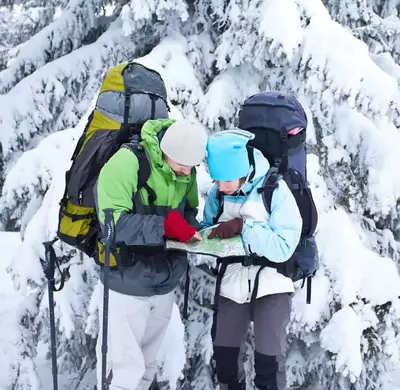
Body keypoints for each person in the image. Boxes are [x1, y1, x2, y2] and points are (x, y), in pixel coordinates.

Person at [94, 118, 208, 390]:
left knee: (147, 369)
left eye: (191, 167)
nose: (186, 173)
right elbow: (114, 226)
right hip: (126, 283)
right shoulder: (126, 164)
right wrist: (166, 226)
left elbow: (188, 212)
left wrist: (194, 230)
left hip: (164, 282)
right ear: (167, 151)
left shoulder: (185, 170)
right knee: (123, 372)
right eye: (182, 165)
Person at [202, 130, 302, 390]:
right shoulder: (219, 194)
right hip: (232, 282)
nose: (220, 186)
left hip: (272, 283)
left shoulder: (274, 191)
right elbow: (208, 230)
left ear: (242, 169)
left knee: (268, 369)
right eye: (216, 180)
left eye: (225, 180)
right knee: (225, 366)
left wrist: (244, 227)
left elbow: (283, 247)